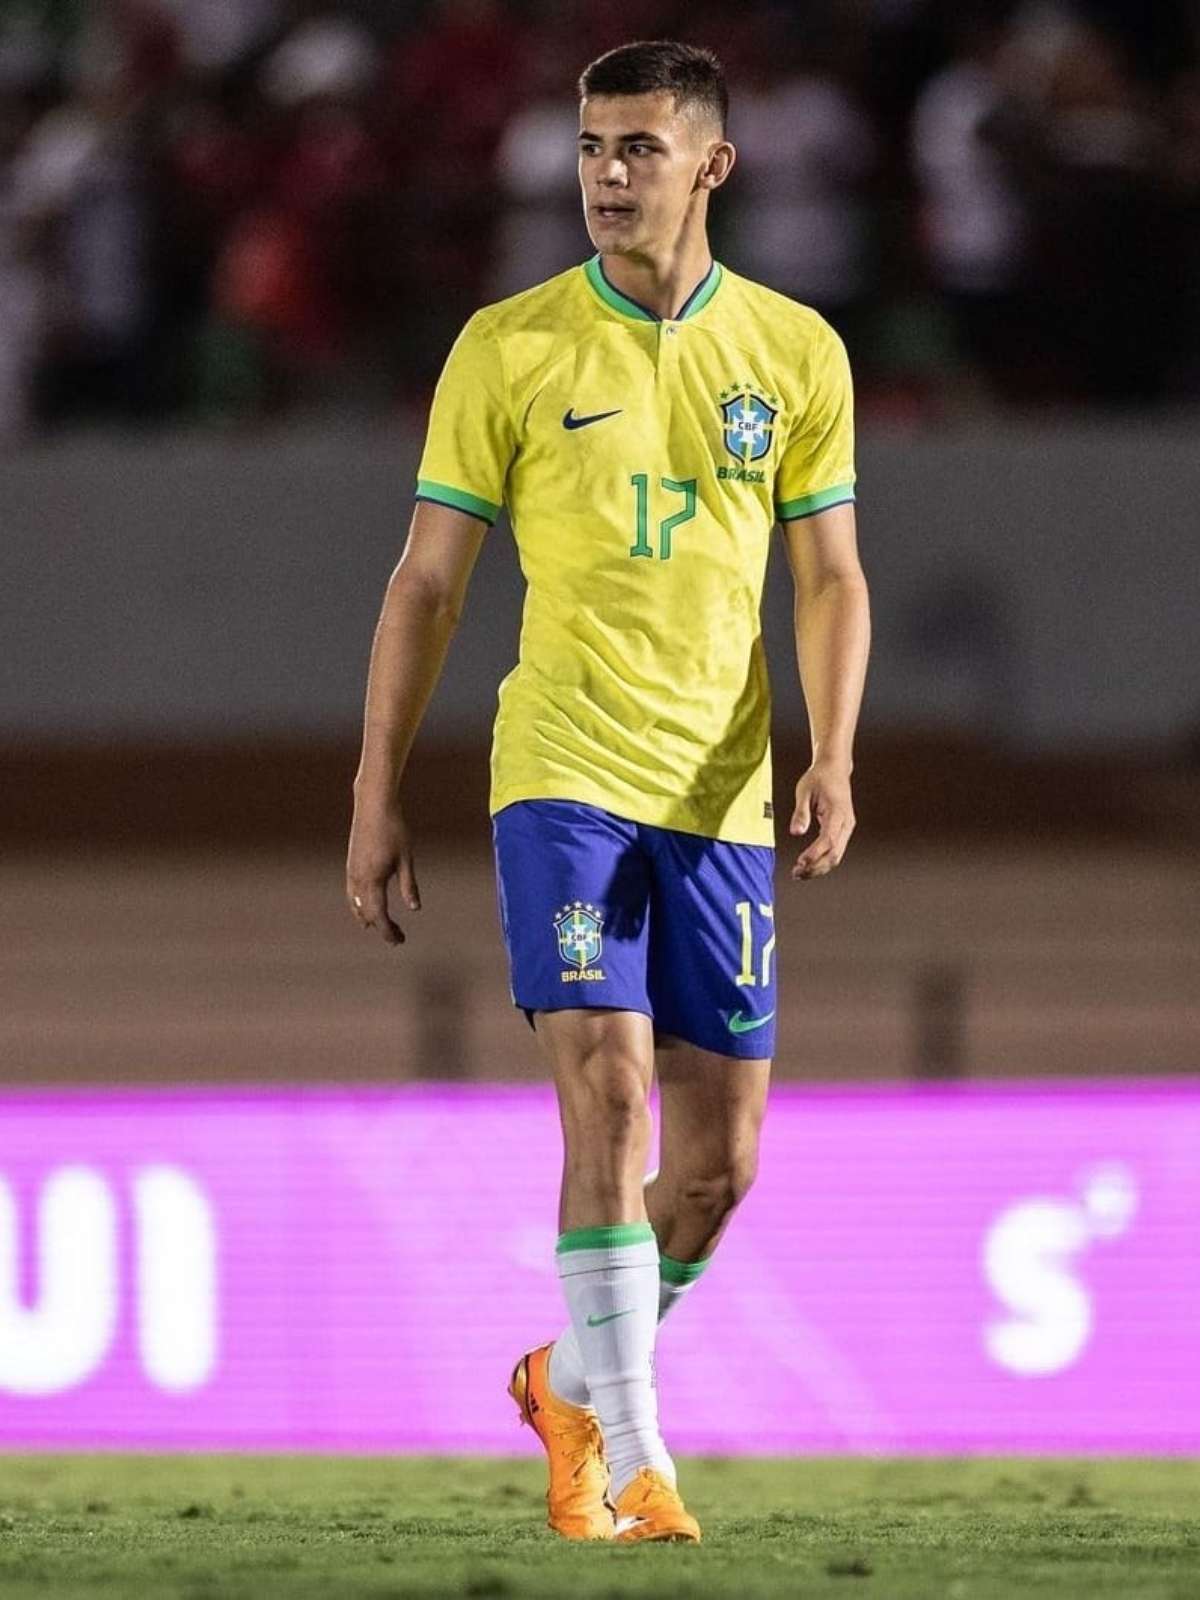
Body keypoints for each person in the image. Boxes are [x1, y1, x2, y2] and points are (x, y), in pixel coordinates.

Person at [347, 39, 870, 1545]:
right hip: (562, 772)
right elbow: (427, 584)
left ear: (714, 165)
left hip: (721, 793)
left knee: (716, 1171)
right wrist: (378, 786)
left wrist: (830, 750)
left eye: (640, 148)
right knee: (613, 1085)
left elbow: (830, 576)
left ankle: (565, 1375)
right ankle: (632, 1458)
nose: (606, 176)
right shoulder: (507, 348)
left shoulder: (794, 353)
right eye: (590, 148)